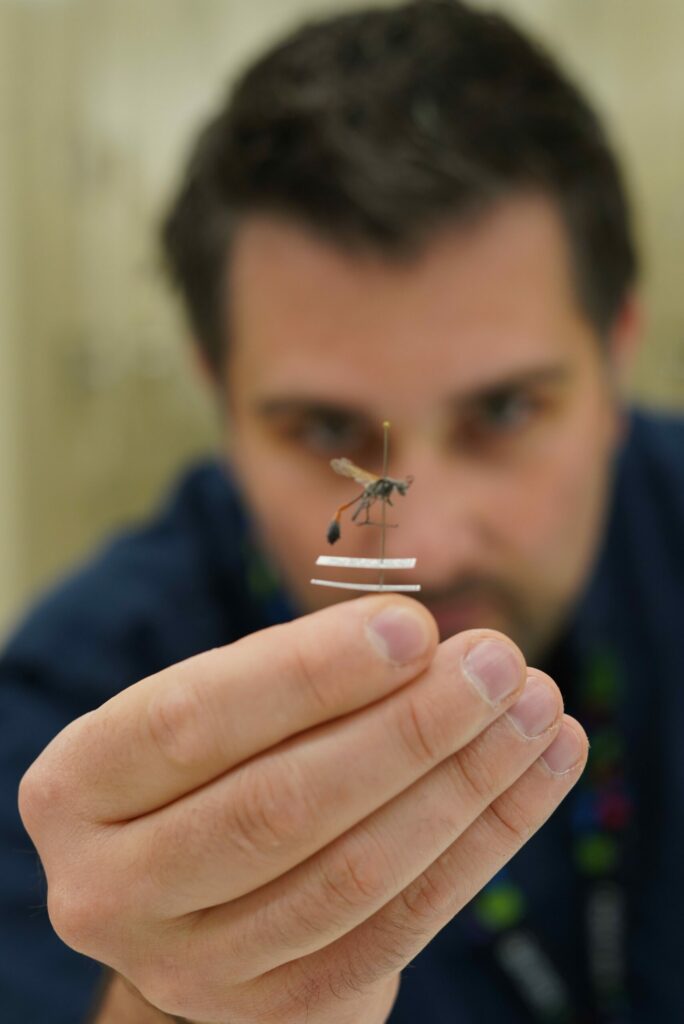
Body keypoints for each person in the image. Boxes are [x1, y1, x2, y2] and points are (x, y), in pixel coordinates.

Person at [2, 1, 683, 1021]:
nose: (429, 546)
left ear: (617, 350)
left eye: (504, 409)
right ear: (218, 394)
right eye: (325, 428)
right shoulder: (81, 711)